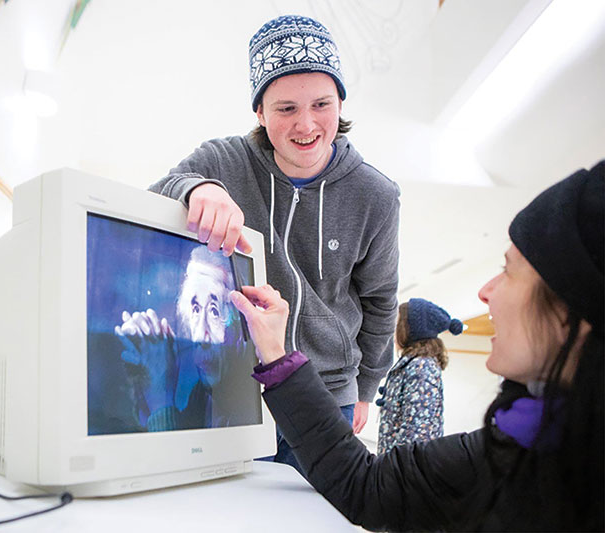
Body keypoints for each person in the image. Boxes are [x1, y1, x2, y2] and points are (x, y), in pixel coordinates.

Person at [230, 161, 604, 531]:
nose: (486, 292)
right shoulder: (510, 448)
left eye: (508, 271)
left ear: (569, 311)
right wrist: (278, 357)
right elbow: (366, 486)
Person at [150, 14, 399, 471]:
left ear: (340, 103)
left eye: (321, 104)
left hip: (327, 395)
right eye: (286, 109)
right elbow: (158, 191)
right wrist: (197, 188)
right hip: (237, 391)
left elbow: (381, 301)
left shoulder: (376, 196)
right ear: (260, 113)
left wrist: (365, 389)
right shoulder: (222, 159)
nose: (306, 125)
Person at [115, 246, 254, 430]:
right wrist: (143, 385)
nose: (201, 338)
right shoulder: (202, 397)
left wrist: (160, 392)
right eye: (195, 310)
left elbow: (171, 457)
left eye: (214, 310)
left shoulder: (252, 407)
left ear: (243, 326)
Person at [376, 298, 463, 454]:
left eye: (397, 325)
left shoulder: (421, 368)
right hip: (393, 466)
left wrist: (391, 471)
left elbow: (416, 433)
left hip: (403, 471)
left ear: (409, 329)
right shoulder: (412, 364)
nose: (393, 331)